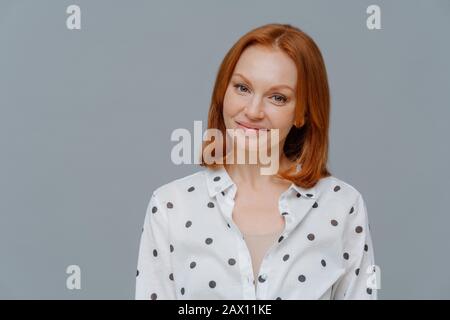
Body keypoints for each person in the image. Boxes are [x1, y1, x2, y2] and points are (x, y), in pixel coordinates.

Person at [135, 23, 378, 300]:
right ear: (222, 92)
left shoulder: (343, 206)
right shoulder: (170, 206)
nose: (252, 111)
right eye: (242, 88)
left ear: (303, 113)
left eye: (277, 97)